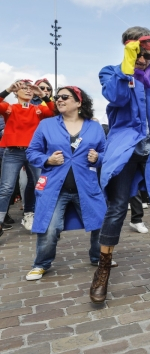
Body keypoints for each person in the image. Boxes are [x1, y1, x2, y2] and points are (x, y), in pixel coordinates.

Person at [90, 26, 150, 303]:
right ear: (129, 48)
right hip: (125, 147)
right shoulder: (112, 71)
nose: (145, 60)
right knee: (117, 207)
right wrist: (127, 65)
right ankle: (103, 268)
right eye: (140, 53)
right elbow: (115, 97)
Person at [25, 86, 116, 280]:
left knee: (100, 224)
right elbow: (31, 152)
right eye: (57, 97)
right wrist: (47, 160)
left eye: (65, 97)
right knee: (49, 228)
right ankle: (41, 264)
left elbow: (106, 153)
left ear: (79, 102)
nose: (59, 99)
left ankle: (98, 257)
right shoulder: (46, 125)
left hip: (87, 186)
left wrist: (98, 158)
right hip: (54, 188)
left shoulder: (94, 127)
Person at [0, 80, 55, 235]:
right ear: (16, 92)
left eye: (30, 88)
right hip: (13, 152)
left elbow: (54, 111)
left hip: (34, 152)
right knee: (6, 188)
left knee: (41, 185)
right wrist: (8, 89)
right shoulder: (9, 108)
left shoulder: (38, 110)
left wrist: (43, 95)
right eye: (23, 88)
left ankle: (41, 217)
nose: (28, 90)